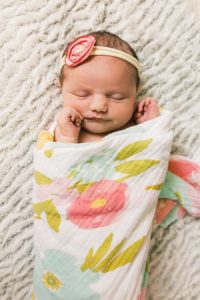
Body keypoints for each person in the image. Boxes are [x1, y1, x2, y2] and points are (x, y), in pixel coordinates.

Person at [54, 30, 160, 144]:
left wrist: (152, 126)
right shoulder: (64, 130)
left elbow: (159, 153)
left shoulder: (137, 128)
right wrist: (67, 138)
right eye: (82, 94)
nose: (98, 106)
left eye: (117, 97)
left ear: (136, 91)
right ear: (61, 87)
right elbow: (58, 160)